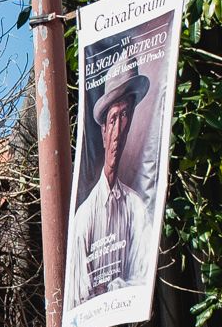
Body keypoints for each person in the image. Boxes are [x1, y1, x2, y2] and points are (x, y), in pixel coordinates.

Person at [64, 65, 159, 308]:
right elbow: (77, 298)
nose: (117, 132)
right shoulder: (84, 217)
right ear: (104, 130)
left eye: (124, 115)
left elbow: (142, 276)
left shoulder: (137, 208)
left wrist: (116, 288)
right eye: (113, 118)